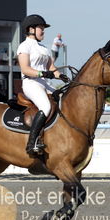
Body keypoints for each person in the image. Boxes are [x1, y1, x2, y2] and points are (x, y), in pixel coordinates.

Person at [17, 14, 69, 155]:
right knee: (45, 106)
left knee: (65, 100)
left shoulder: (44, 48)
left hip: (44, 83)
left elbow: (52, 69)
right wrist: (42, 73)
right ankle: (31, 142)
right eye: (41, 28)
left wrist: (61, 76)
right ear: (31, 29)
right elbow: (25, 69)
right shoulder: (24, 46)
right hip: (31, 83)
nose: (43, 31)